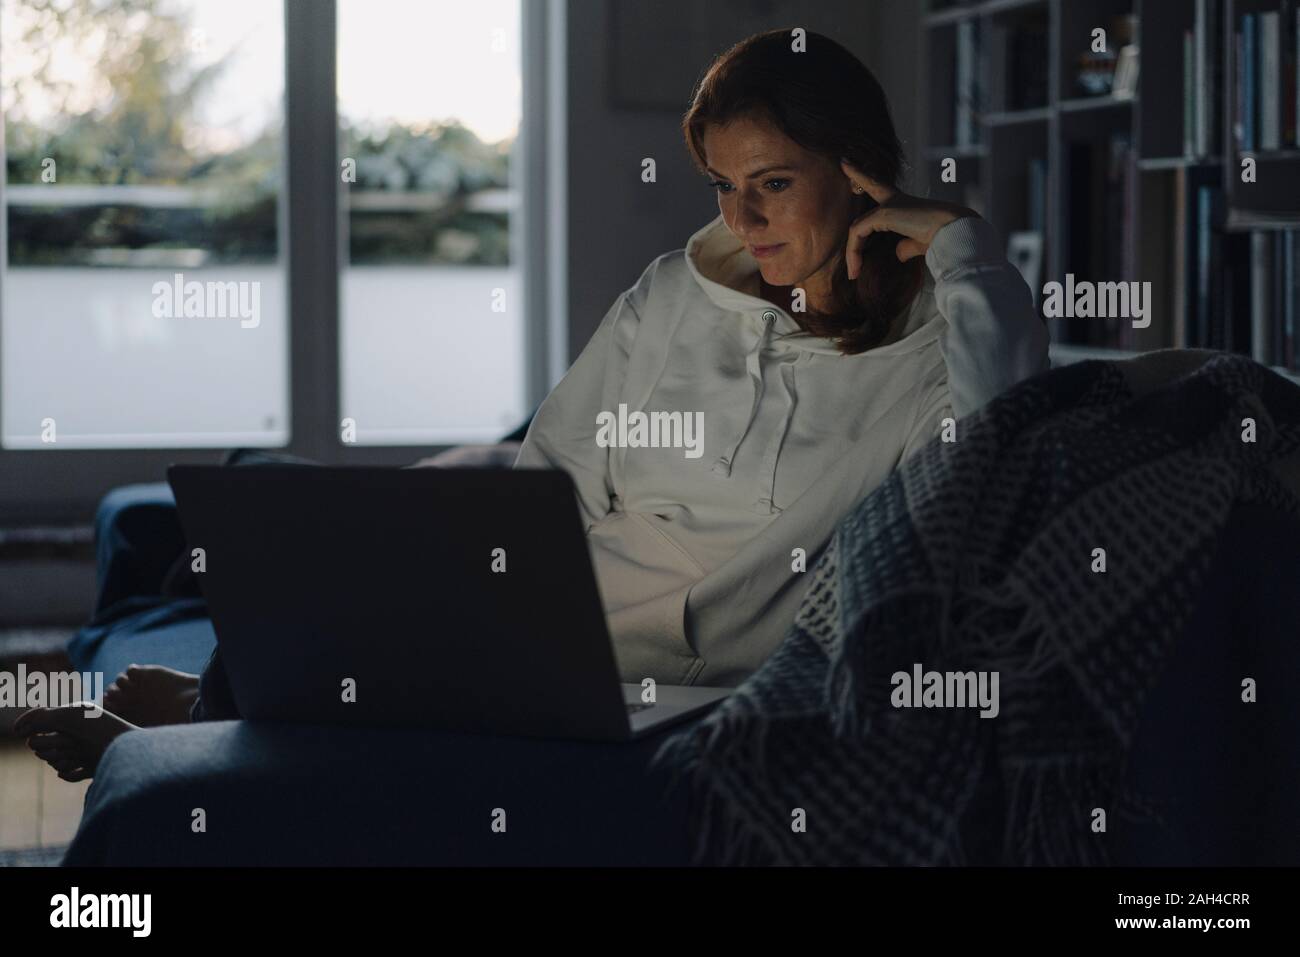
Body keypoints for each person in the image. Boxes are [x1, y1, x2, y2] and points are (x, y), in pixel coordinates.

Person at [17, 28, 1048, 780]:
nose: (743, 216)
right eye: (721, 186)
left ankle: (193, 718)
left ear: (861, 173)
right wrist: (480, 600)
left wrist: (961, 243)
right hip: (555, 643)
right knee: (337, 578)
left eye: (772, 182)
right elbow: (541, 488)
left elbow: (1007, 451)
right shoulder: (670, 296)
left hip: (706, 690)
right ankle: (205, 709)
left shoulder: (930, 358)